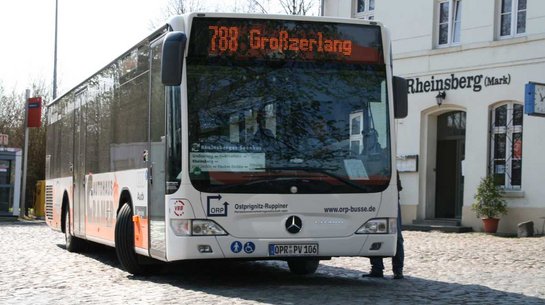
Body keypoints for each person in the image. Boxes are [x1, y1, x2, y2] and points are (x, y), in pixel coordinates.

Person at [362, 172, 405, 279]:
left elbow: (398, 187)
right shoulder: (390, 166)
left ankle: (384, 269)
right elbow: (399, 187)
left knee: (394, 236)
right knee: (376, 233)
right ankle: (393, 270)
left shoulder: (376, 166)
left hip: (385, 201)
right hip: (386, 201)